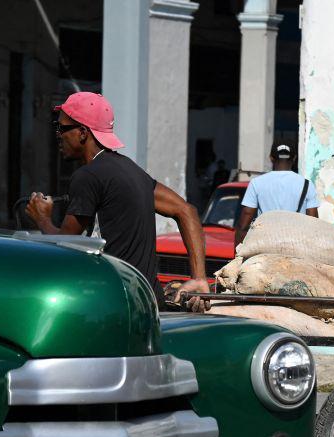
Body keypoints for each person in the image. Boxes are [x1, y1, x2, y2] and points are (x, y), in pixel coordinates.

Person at [25, 92, 210, 312]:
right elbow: (187, 210)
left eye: (62, 128)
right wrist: (199, 277)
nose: (57, 135)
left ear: (83, 133)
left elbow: (66, 246)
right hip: (149, 302)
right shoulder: (133, 171)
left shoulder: (88, 176)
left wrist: (42, 219)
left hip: (116, 304)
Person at [234, 142, 320, 248]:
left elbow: (245, 221)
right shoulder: (307, 184)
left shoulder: (256, 183)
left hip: (265, 245)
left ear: (271, 158)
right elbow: (313, 223)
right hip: (296, 246)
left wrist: (237, 255)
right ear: (294, 158)